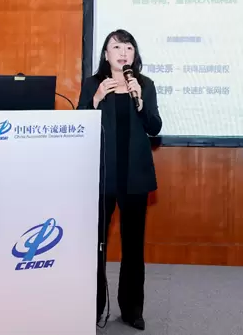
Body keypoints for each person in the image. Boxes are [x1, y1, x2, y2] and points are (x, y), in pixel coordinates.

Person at [76, 29, 162, 331]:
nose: (123, 53)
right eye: (116, 47)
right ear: (106, 54)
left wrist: (141, 102)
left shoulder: (145, 85)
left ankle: (132, 309)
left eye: (128, 48)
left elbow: (154, 126)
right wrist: (96, 99)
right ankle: (94, 306)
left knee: (133, 246)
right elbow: (79, 125)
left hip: (134, 176)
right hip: (102, 176)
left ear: (134, 54)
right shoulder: (93, 84)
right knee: (97, 245)